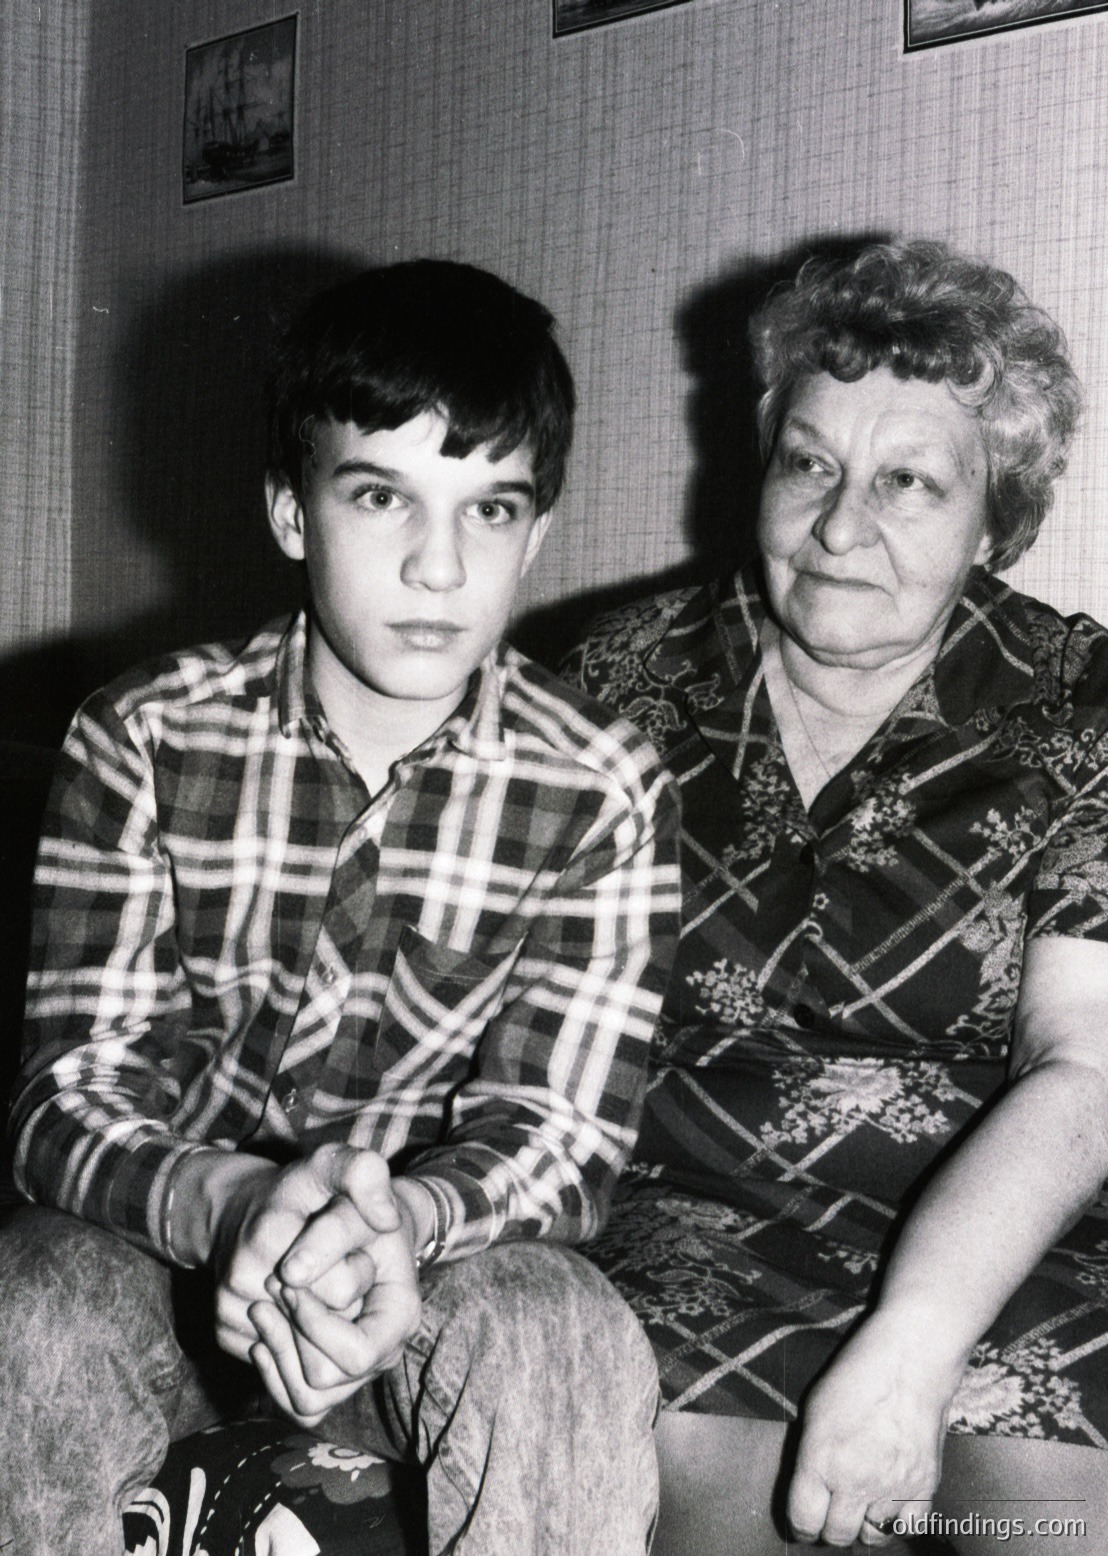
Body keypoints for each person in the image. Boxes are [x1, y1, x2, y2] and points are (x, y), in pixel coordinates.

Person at [0, 258, 681, 1556]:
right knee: (28, 1303)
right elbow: (67, 1097)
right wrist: (240, 1207)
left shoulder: (602, 790)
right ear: (293, 511)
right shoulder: (140, 738)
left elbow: (563, 1133)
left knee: (569, 1334)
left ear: (537, 537)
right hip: (169, 1262)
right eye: (383, 497)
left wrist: (406, 1225)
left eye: (490, 512)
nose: (439, 565)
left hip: (427, 1285)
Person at [563, 240, 1108, 1555]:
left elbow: (1086, 1066)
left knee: (1056, 1496)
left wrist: (913, 1351)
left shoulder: (1083, 706)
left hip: (1004, 1230)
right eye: (811, 462)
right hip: (688, 1220)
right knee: (702, 1470)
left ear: (998, 516)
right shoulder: (614, 682)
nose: (839, 525)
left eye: (909, 482)